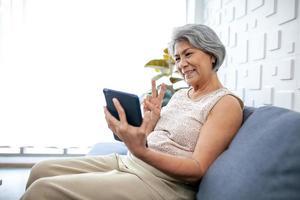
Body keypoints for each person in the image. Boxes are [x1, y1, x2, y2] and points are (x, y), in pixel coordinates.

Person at [21, 24, 243, 200]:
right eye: (177, 58)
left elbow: (197, 168)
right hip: (131, 162)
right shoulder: (180, 95)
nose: (181, 64)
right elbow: (150, 139)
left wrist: (142, 152)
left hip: (163, 183)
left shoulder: (225, 103)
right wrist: (151, 121)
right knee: (41, 170)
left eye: (188, 54)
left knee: (42, 191)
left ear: (212, 54)